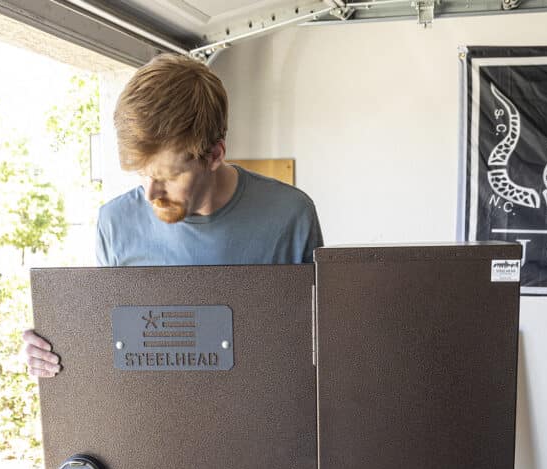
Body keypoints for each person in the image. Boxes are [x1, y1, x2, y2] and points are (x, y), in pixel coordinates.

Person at [23, 53, 323, 377]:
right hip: (157, 422)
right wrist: (49, 351)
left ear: (214, 155)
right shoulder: (115, 223)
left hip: (263, 422)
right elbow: (113, 349)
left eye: (168, 176)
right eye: (142, 174)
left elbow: (316, 352)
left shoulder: (291, 216)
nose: (151, 193)